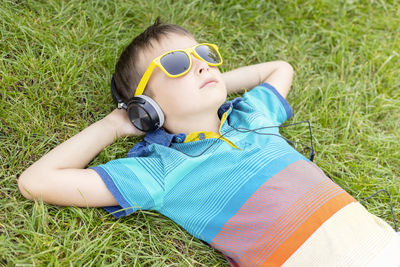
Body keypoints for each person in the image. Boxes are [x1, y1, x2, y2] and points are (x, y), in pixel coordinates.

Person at [18, 18, 400, 266]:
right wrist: (112, 126)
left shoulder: (253, 117)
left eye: (202, 54)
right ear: (146, 107)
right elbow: (36, 181)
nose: (202, 63)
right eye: (176, 64)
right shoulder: (161, 171)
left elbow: (279, 69)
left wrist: (213, 81)